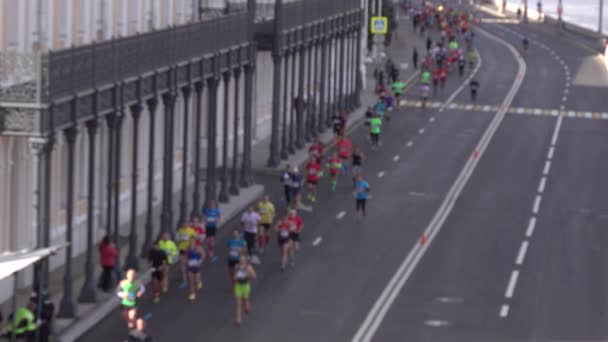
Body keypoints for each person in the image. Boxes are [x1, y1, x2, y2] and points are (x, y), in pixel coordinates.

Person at [233, 255, 257, 327]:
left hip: (245, 286)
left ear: (246, 261)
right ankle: (238, 320)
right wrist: (236, 277)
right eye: (240, 260)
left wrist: (247, 275)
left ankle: (247, 307)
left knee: (245, 300)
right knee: (238, 304)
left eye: (243, 260)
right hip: (238, 286)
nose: (242, 261)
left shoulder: (248, 267)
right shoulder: (237, 267)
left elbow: (254, 276)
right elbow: (234, 277)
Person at [176, 223, 196, 288]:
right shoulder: (180, 231)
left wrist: (192, 245)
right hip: (182, 249)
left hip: (189, 249)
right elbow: (178, 239)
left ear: (188, 225)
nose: (184, 225)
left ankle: (194, 278)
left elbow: (195, 238)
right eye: (183, 224)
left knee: (190, 264)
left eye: (186, 224)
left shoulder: (191, 230)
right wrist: (179, 243)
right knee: (182, 265)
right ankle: (184, 281)